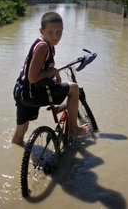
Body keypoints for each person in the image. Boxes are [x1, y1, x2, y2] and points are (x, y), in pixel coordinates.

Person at [12, 12, 91, 145]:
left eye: (59, 32)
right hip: (32, 94)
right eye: (50, 32)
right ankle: (74, 129)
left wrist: (52, 73)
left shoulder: (40, 42)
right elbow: (33, 77)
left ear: (63, 30)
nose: (55, 36)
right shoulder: (44, 47)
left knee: (22, 129)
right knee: (73, 88)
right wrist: (53, 71)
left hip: (21, 91)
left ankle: (16, 148)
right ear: (42, 31)